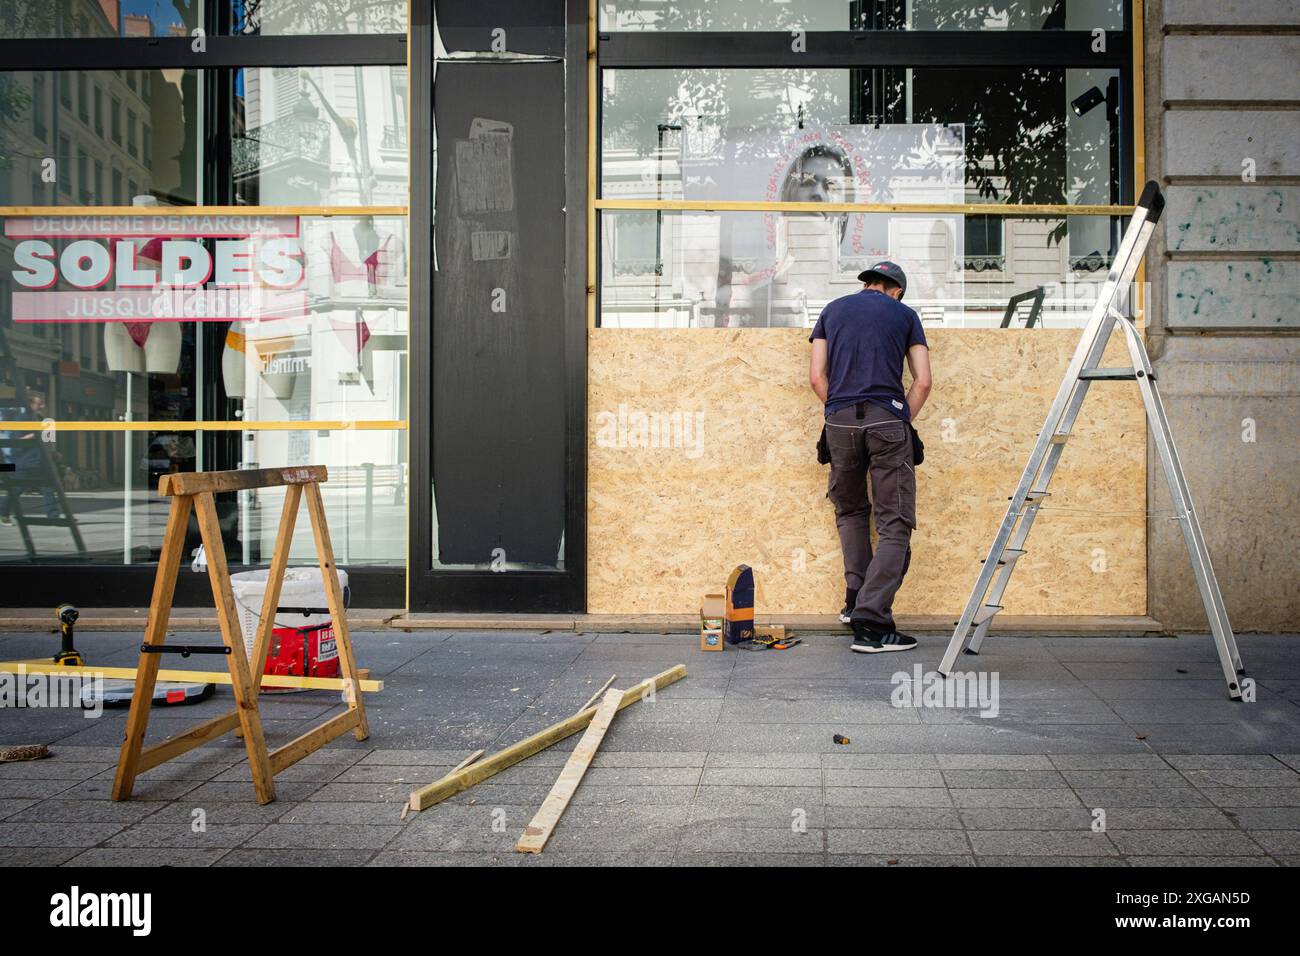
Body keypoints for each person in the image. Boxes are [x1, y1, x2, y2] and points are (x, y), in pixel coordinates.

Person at [809, 261, 931, 653]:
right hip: (887, 418)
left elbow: (816, 377)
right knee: (894, 522)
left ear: (868, 284)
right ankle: (872, 622)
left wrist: (839, 412)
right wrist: (899, 419)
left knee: (850, 511)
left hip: (839, 421)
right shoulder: (905, 314)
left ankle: (854, 601)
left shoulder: (832, 310)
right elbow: (923, 380)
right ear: (896, 289)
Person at [0, 391, 59, 526]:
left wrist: (53, 452)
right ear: (30, 404)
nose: (42, 406)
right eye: (39, 404)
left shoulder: (38, 418)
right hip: (25, 461)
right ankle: (3, 514)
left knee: (48, 488)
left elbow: (45, 438)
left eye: (43, 403)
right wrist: (32, 436)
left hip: (39, 460)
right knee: (16, 490)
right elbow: (15, 441)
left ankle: (53, 517)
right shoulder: (22, 418)